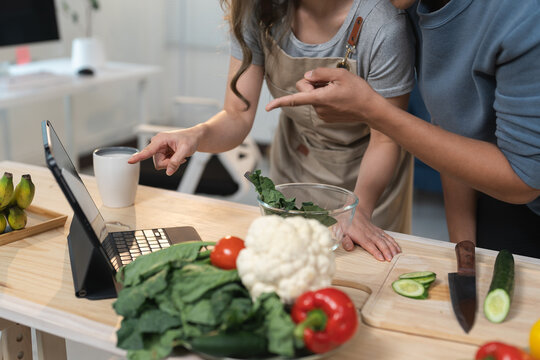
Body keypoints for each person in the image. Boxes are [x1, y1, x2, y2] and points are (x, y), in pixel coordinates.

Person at [128, 0, 416, 261]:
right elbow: (236, 116)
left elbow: (386, 138)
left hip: (368, 181)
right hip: (295, 164)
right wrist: (195, 135)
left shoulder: (383, 26)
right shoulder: (258, 10)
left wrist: (359, 211)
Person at [266, 0, 540, 257]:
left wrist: (372, 110)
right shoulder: (411, 7)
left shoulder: (523, 15)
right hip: (494, 187)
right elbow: (453, 129)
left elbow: (524, 180)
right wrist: (461, 250)